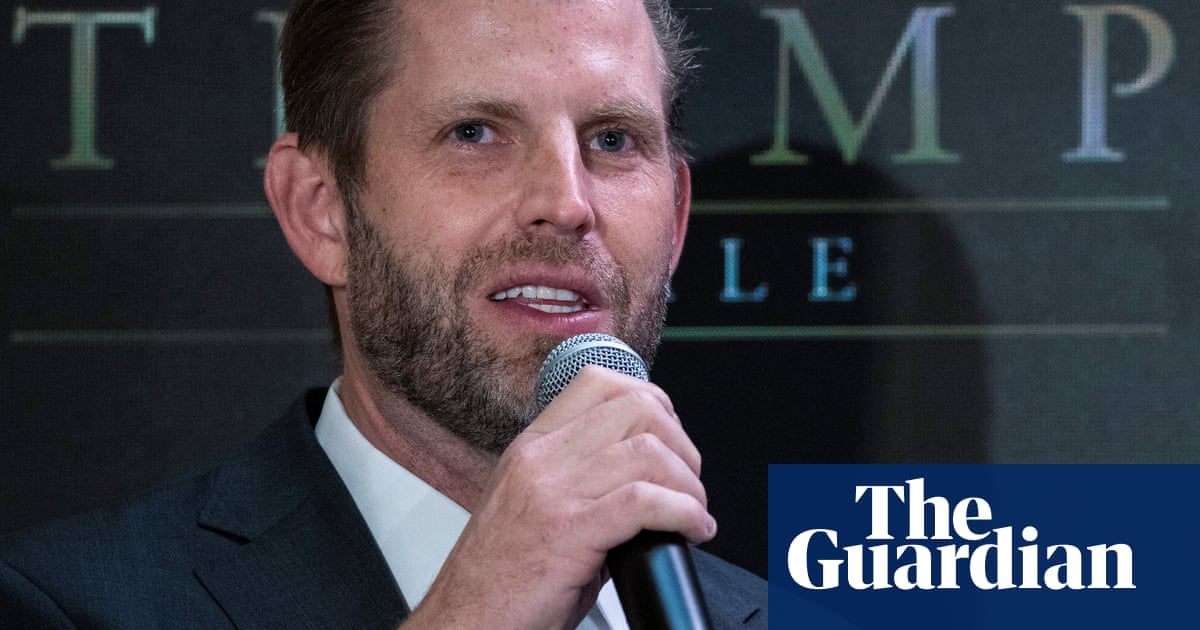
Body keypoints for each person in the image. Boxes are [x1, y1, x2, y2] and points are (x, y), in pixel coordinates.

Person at [0, 0, 767, 627]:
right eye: (474, 133)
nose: (565, 202)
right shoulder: (64, 605)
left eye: (612, 139)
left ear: (675, 222)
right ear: (321, 211)